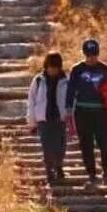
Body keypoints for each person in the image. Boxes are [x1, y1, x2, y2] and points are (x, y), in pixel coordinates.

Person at [66, 38, 107, 186]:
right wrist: (68, 110)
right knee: (86, 144)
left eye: (94, 54)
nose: (92, 58)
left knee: (104, 142)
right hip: (82, 111)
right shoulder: (77, 69)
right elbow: (71, 90)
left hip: (101, 111)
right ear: (84, 54)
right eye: (89, 55)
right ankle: (91, 174)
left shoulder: (105, 69)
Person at [26, 51, 69, 184]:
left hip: (60, 118)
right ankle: (49, 171)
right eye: (50, 67)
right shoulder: (38, 80)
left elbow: (71, 99)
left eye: (55, 67)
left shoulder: (66, 81)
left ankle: (59, 166)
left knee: (60, 146)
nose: (53, 70)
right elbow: (31, 101)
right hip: (43, 119)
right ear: (46, 66)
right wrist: (31, 122)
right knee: (47, 147)